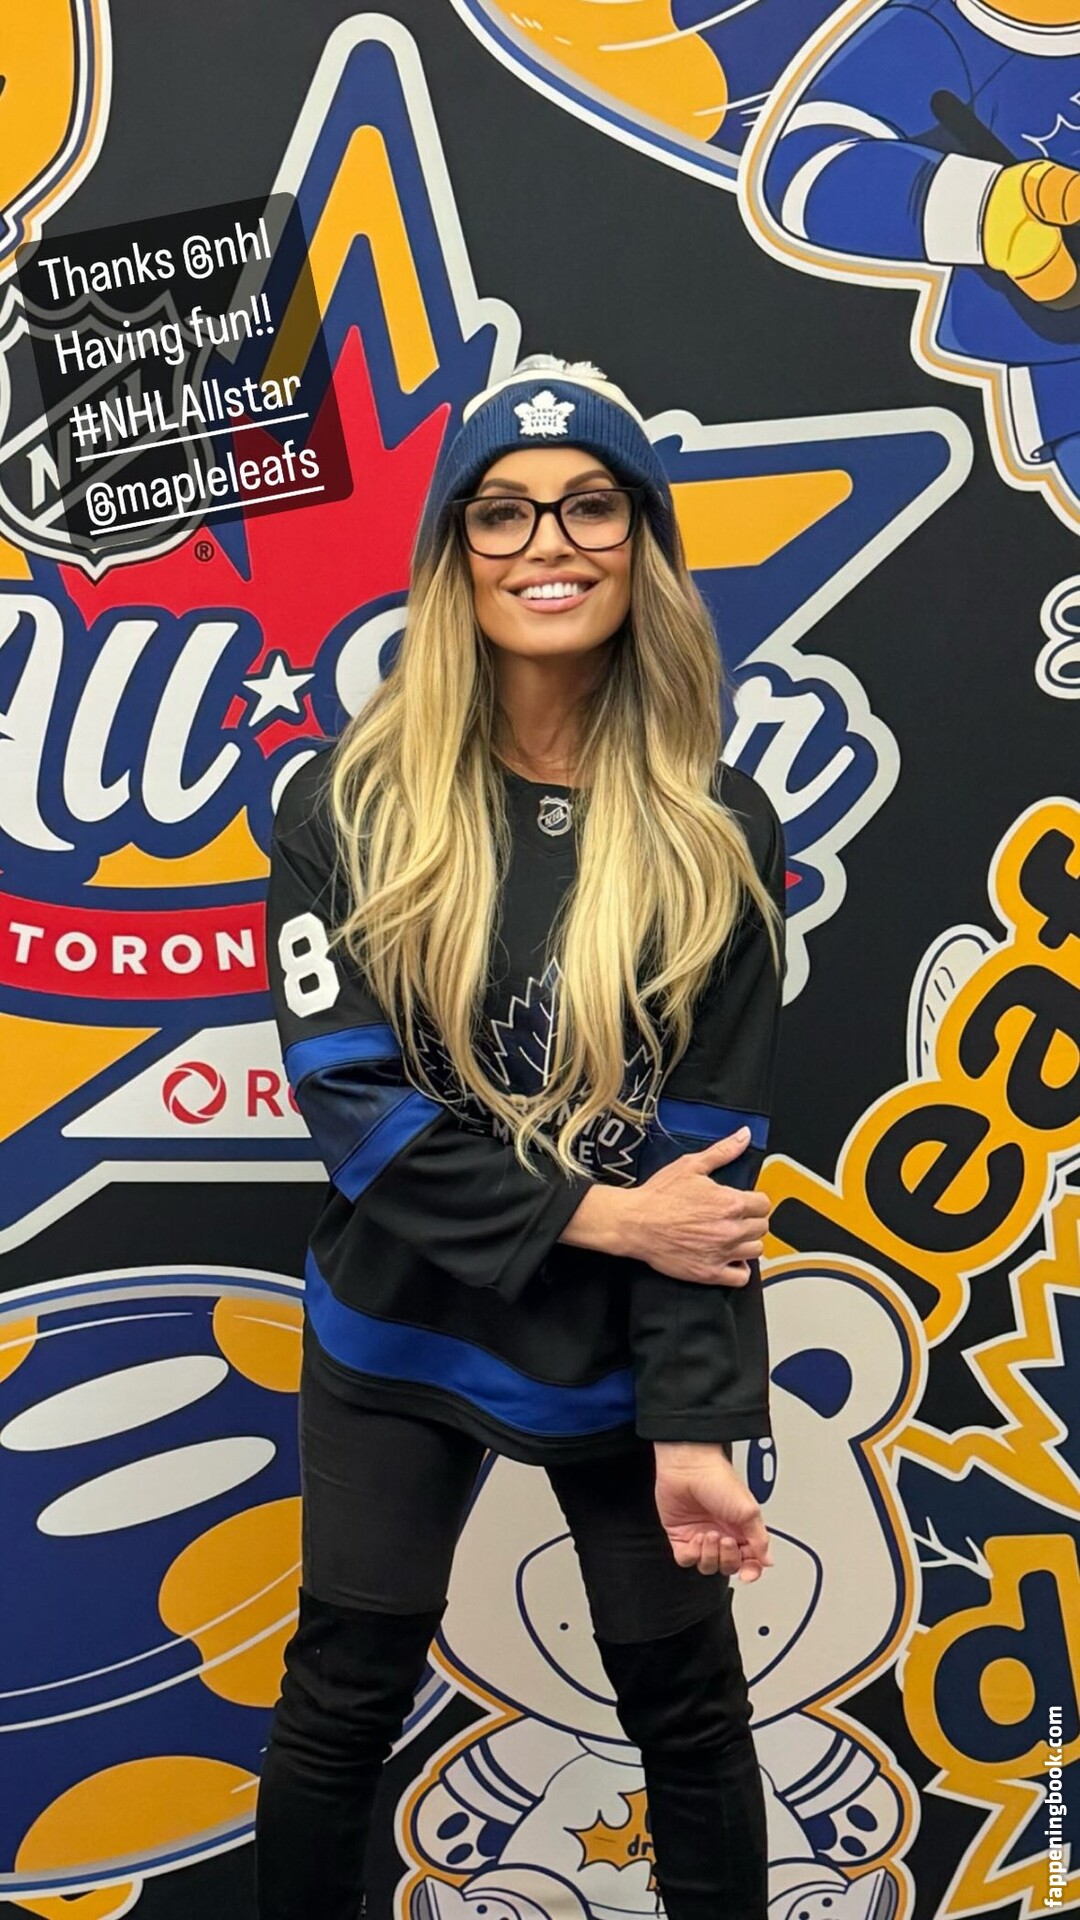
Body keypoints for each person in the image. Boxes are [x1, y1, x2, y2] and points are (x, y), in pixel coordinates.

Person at [257, 355, 787, 1920]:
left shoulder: (717, 823)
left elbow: (704, 1172)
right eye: (501, 511)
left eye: (590, 506)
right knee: (341, 1696)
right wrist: (599, 1215)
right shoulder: (344, 803)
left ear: (642, 545)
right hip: (399, 1326)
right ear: (455, 553)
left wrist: (692, 1427)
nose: (547, 542)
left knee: (691, 1716)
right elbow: (357, 1112)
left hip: (616, 1352)